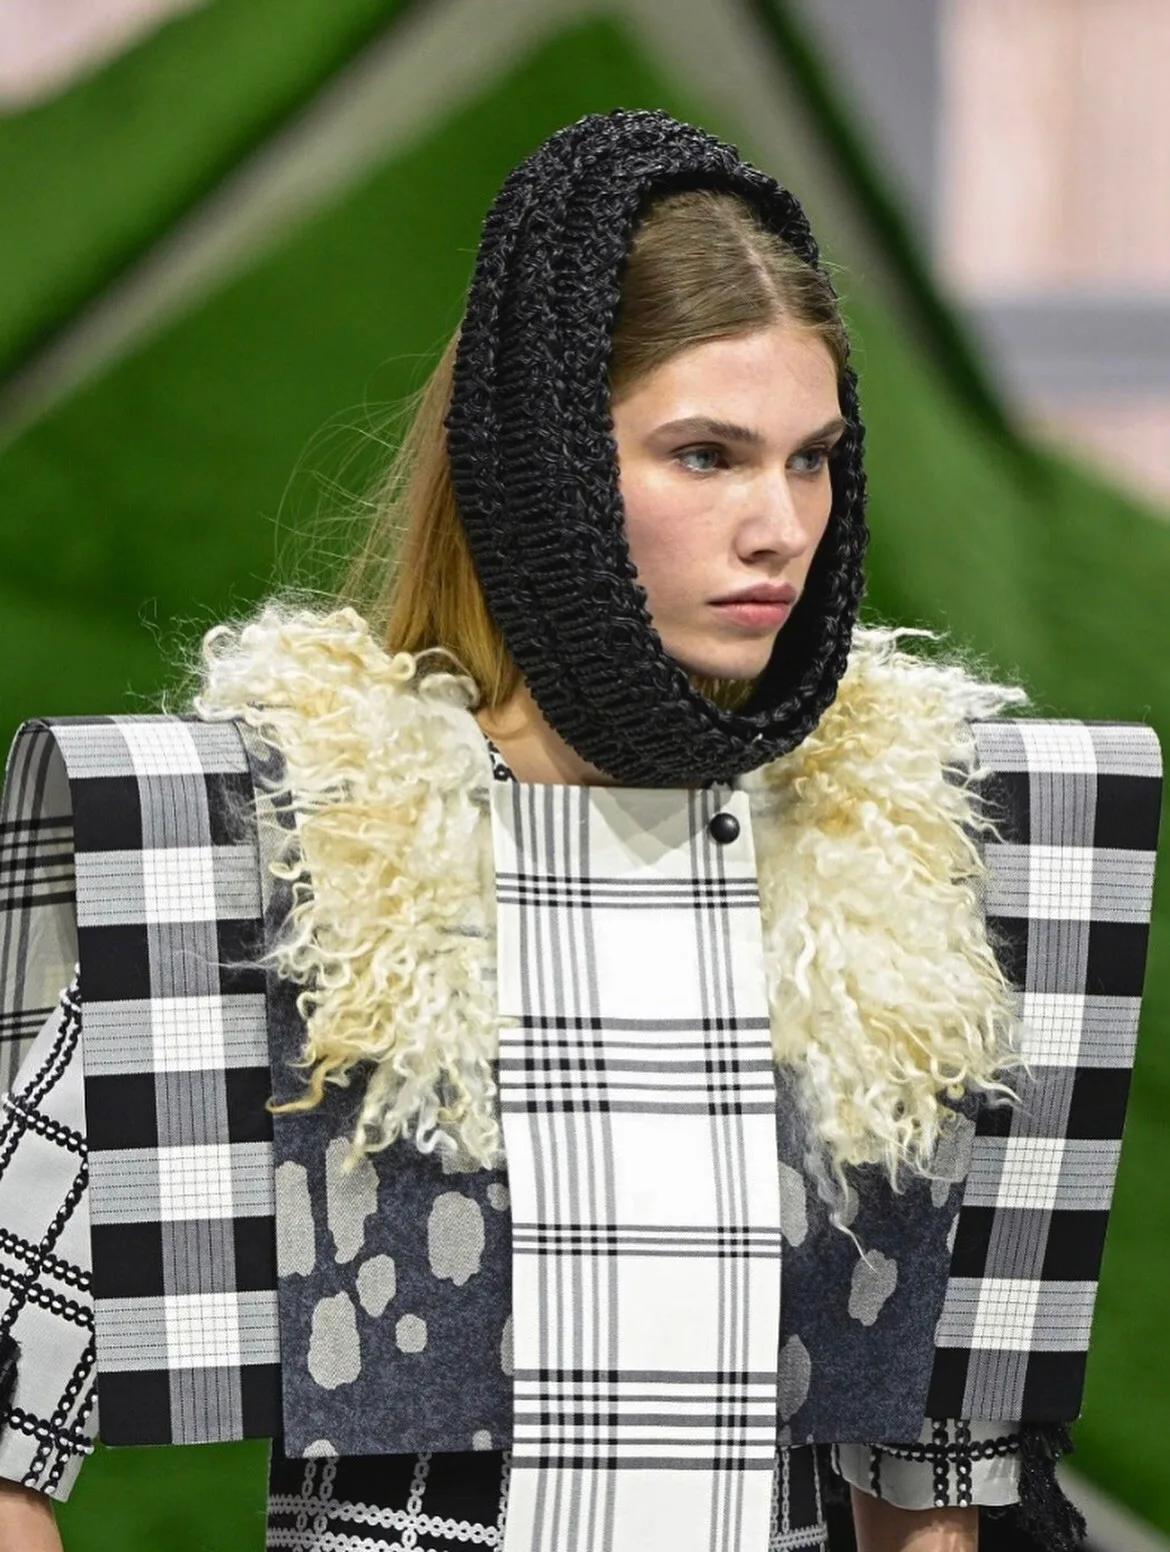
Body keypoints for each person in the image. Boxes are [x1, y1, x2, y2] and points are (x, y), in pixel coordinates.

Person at [0, 109, 1160, 1552]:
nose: (780, 526)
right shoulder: (299, 850)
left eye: (810, 459)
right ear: (544, 460)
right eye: (705, 454)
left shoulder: (888, 870)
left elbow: (934, 1475)